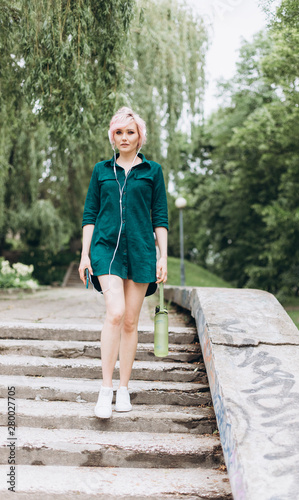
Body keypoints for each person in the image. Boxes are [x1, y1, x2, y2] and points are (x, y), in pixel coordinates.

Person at [78, 107, 168, 419]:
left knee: (131, 321)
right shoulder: (101, 171)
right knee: (115, 314)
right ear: (112, 137)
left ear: (139, 136)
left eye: (130, 132)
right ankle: (105, 389)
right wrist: (85, 254)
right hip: (105, 250)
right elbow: (90, 213)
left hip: (142, 251)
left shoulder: (153, 171)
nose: (124, 137)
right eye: (119, 132)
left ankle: (124, 388)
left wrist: (163, 255)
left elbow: (160, 217)